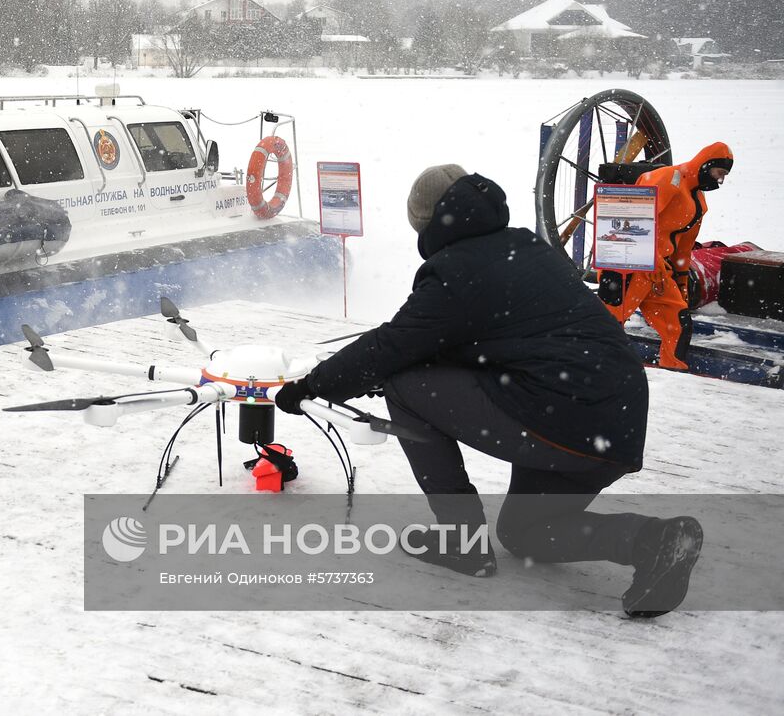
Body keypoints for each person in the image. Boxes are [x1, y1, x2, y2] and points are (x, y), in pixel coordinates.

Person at [273, 164, 702, 617]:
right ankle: (653, 541)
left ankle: (461, 541)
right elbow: (486, 336)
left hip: (563, 412)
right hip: (614, 420)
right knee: (526, 534)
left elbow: (391, 346)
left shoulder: (456, 273)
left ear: (426, 222)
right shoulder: (524, 246)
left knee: (402, 384)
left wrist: (310, 387)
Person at [600, 143, 734, 370]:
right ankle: (591, 375)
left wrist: (681, 281)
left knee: (678, 323)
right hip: (627, 266)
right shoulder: (666, 179)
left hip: (658, 272)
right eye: (719, 174)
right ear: (707, 165)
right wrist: (644, 259)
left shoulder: (698, 202)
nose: (719, 181)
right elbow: (632, 221)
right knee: (606, 327)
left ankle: (672, 372)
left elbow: (684, 248)